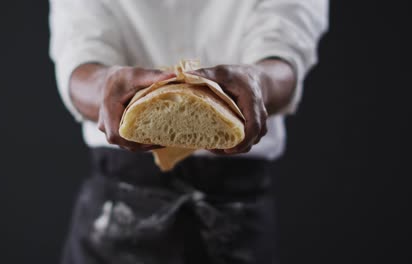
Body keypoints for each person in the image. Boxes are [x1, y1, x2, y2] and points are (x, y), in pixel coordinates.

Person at [49, 0, 328, 263]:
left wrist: (261, 83)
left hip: (235, 203)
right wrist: (104, 87)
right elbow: (79, 47)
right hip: (118, 205)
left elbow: (287, 40)